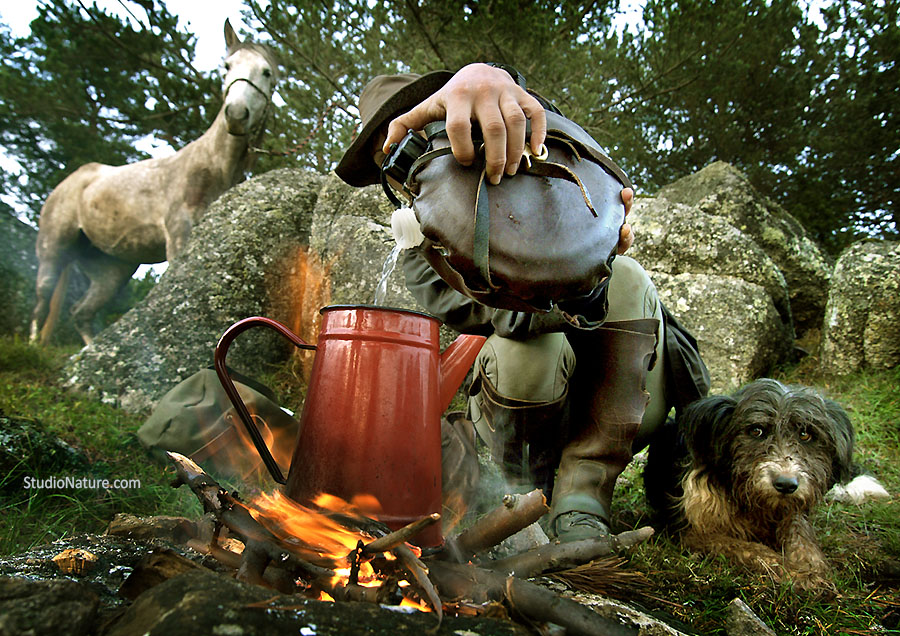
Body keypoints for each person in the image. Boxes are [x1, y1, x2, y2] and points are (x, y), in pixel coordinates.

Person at [336, 63, 703, 542]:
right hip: (523, 412)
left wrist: (488, 79)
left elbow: (521, 109)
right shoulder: (422, 249)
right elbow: (496, 319)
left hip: (621, 400)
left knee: (627, 276)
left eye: (432, 129)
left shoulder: (542, 175)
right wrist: (569, 296)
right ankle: (521, 500)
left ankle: (583, 499)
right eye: (402, 155)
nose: (422, 153)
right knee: (527, 347)